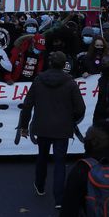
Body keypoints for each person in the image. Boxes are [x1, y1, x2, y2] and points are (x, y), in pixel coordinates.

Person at [18, 52, 86, 208]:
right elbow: (80, 108)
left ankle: (40, 185)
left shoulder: (38, 80)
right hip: (62, 127)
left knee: (42, 156)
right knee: (60, 162)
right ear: (64, 65)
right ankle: (59, 199)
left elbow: (27, 105)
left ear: (50, 63)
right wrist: (71, 119)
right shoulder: (70, 83)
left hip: (42, 126)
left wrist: (23, 126)